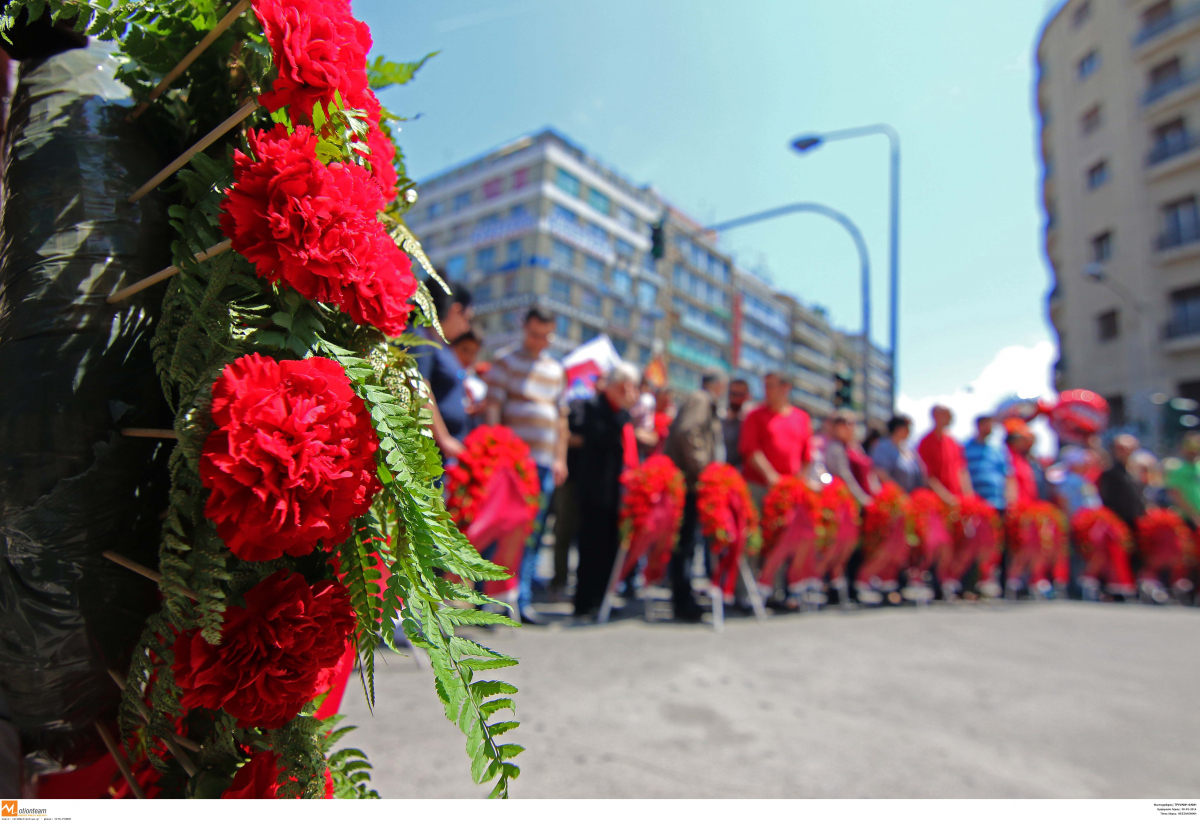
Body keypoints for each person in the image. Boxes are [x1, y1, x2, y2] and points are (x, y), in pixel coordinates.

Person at [485, 308, 569, 624]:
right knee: (500, 529)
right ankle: (486, 598)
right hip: (512, 462)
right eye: (534, 334)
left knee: (532, 533)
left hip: (545, 463)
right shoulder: (505, 361)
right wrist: (495, 450)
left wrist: (560, 458)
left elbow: (561, 419)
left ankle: (522, 599)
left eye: (545, 336)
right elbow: (493, 407)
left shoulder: (556, 369)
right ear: (524, 329)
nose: (539, 341)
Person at [572, 362, 641, 618]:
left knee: (609, 550)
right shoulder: (592, 406)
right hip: (594, 490)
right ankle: (584, 602)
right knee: (590, 548)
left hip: (615, 493)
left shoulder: (622, 413)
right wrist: (625, 409)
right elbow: (603, 437)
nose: (629, 392)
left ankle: (602, 601)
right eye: (625, 387)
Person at [663, 370, 727, 621]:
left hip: (690, 481)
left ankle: (684, 597)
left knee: (687, 544)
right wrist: (704, 470)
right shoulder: (701, 400)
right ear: (718, 385)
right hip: (690, 483)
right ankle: (683, 601)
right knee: (685, 544)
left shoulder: (700, 400)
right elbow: (687, 432)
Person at [412, 278, 472, 460]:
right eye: (467, 319)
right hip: (431, 450)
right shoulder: (420, 338)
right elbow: (419, 385)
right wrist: (443, 438)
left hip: (443, 452)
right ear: (455, 310)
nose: (466, 328)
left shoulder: (441, 345)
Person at [739, 371, 813, 507]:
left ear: (786, 388)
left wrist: (797, 483)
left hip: (790, 490)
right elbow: (750, 449)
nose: (766, 391)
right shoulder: (754, 415)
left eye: (771, 386)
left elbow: (807, 455)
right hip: (759, 486)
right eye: (765, 386)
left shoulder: (802, 418)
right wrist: (771, 476)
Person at [917, 405, 973, 502]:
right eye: (946, 414)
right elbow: (926, 475)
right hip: (937, 501)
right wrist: (946, 497)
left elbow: (962, 470)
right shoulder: (926, 442)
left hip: (957, 500)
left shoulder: (953, 442)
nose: (951, 418)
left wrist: (968, 496)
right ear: (935, 416)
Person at [824, 409, 878, 505]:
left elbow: (870, 473)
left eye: (853, 423)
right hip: (852, 503)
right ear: (836, 427)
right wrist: (865, 501)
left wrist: (877, 496)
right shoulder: (835, 447)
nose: (850, 427)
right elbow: (845, 477)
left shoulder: (856, 446)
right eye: (845, 423)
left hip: (867, 500)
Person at [962, 414, 1013, 512]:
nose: (990, 427)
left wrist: (1010, 500)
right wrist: (969, 498)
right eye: (986, 424)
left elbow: (1008, 475)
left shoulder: (998, 449)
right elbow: (962, 472)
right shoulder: (965, 448)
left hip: (999, 503)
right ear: (978, 426)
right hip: (977, 504)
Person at [1097, 434, 1146, 531]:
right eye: (1122, 449)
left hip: (1136, 522)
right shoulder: (1110, 473)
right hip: (1119, 523)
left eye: (1130, 448)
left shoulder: (1135, 471)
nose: (1127, 452)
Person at [869, 414, 925, 492]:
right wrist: (898, 492)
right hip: (892, 497)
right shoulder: (882, 446)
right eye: (907, 428)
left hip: (908, 497)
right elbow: (880, 472)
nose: (909, 431)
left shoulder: (908, 448)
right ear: (897, 429)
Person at [1164, 432, 1200, 524]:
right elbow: (1175, 494)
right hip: (1188, 518)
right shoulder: (1178, 470)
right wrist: (1193, 515)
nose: (1194, 451)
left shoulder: (1198, 467)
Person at [1005, 420, 1042, 504]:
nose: (1028, 443)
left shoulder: (1024, 458)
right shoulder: (1006, 457)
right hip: (1015, 508)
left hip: (1028, 506)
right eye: (1024, 439)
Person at [722, 378, 752, 470]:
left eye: (740, 395)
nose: (736, 399)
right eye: (733, 394)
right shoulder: (720, 416)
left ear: (747, 396)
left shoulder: (749, 420)